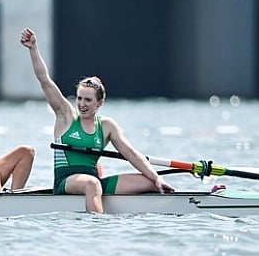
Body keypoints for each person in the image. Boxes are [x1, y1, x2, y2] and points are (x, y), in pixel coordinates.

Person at [20, 27, 175, 213]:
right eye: (79, 98)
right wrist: (33, 49)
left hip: (93, 180)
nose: (82, 104)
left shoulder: (107, 126)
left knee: (148, 181)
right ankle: (97, 228)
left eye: (88, 100)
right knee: (92, 185)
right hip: (66, 181)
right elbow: (45, 80)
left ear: (99, 103)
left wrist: (156, 178)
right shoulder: (66, 116)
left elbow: (132, 154)